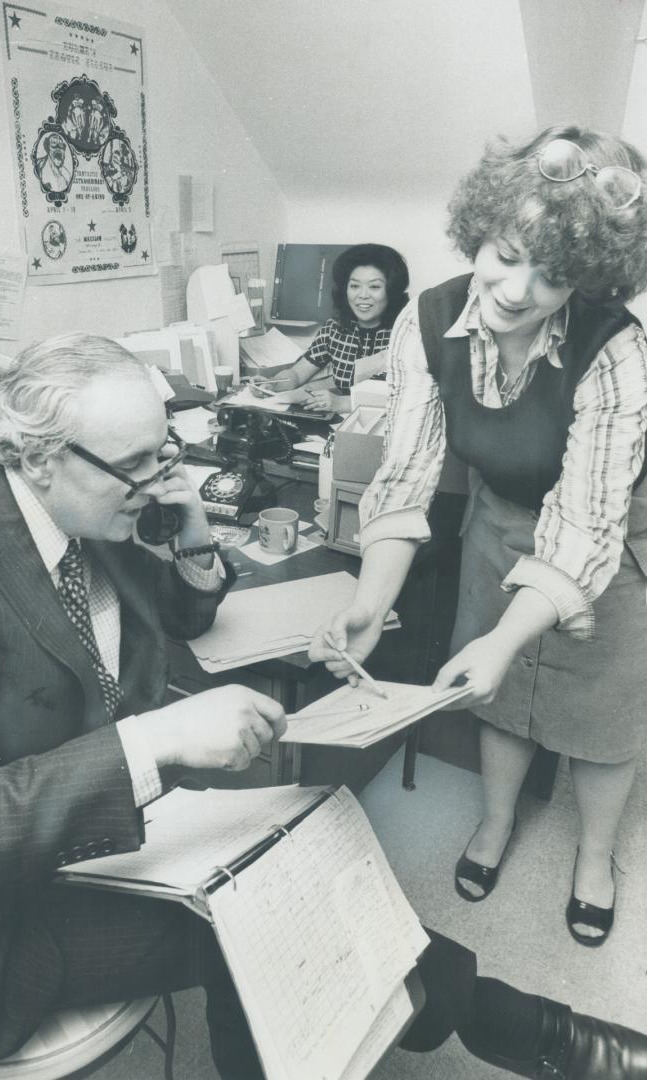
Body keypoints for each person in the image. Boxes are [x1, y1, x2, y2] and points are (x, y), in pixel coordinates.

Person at [0, 333, 646, 1080]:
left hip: (66, 827)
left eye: (162, 450)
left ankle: (528, 1033)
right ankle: (533, 1035)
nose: (156, 476)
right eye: (136, 463)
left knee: (306, 860)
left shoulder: (85, 506)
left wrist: (191, 525)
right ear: (33, 458)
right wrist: (157, 737)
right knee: (263, 922)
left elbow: (180, 615)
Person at [311, 125, 647, 951]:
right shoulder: (425, 321)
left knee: (601, 719)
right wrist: (370, 600)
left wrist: (508, 635)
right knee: (494, 695)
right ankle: (495, 826)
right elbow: (405, 475)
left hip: (611, 540)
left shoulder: (615, 349)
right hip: (498, 521)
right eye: (504, 253)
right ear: (478, 231)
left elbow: (583, 519)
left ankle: (594, 858)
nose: (516, 288)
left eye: (553, 273)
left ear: (589, 277)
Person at [262, 242, 409, 414]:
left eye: (374, 287)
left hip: (387, 428)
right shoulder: (335, 328)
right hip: (339, 425)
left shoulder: (405, 334)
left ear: (391, 291)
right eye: (354, 286)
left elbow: (406, 396)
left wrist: (342, 403)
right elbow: (297, 373)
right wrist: (271, 384)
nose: (362, 295)